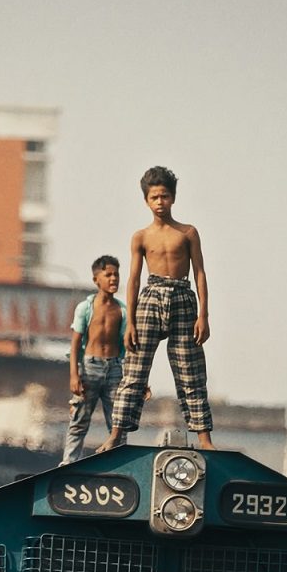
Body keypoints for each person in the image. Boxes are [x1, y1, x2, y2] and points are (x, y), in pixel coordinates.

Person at [101, 165, 215, 452]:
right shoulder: (141, 237)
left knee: (191, 371)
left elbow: (199, 272)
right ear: (146, 201)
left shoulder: (188, 233)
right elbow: (133, 278)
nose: (160, 202)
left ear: (173, 198)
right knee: (134, 371)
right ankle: (116, 434)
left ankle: (204, 439)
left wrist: (204, 315)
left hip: (182, 297)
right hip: (151, 297)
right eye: (154, 197)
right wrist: (129, 323)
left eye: (164, 196)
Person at [63, 255, 129, 464]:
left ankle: (118, 467)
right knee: (79, 420)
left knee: (118, 421)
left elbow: (129, 345)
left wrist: (136, 379)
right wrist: (75, 374)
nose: (113, 279)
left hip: (115, 369)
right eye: (108, 274)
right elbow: (75, 343)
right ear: (96, 280)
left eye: (116, 274)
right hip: (90, 367)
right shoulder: (86, 308)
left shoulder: (123, 310)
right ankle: (69, 464)